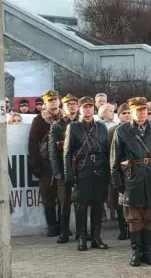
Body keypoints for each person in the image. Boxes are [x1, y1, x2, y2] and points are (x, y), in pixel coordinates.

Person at [110, 97, 151, 266]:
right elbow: (115, 159)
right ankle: (136, 252)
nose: (141, 113)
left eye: (144, 110)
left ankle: (148, 252)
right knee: (134, 218)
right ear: (132, 112)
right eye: (138, 110)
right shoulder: (121, 131)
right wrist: (118, 183)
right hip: (132, 179)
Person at [64, 96, 110, 251]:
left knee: (98, 205)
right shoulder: (73, 127)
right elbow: (67, 153)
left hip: (99, 169)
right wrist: (69, 174)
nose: (88, 109)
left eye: (90, 106)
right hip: (82, 169)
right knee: (80, 206)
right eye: (84, 107)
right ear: (80, 109)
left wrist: (108, 173)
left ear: (94, 108)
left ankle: (96, 238)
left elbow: (107, 151)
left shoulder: (102, 127)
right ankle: (82, 237)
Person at [28, 90, 63, 237]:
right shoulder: (39, 120)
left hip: (63, 162)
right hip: (45, 163)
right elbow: (32, 144)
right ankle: (52, 226)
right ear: (45, 103)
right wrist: (35, 165)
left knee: (63, 196)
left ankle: (63, 226)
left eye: (55, 99)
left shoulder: (65, 118)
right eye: (50, 100)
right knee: (48, 196)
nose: (53, 102)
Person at [48, 94, 79, 243]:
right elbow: (52, 152)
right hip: (63, 167)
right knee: (64, 202)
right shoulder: (57, 125)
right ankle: (64, 232)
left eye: (74, 104)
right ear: (63, 107)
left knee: (82, 202)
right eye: (68, 104)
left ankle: (81, 232)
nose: (71, 106)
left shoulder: (82, 123)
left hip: (81, 169)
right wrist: (57, 172)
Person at [108, 103, 132, 240]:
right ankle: (123, 229)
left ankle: (132, 227)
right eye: (124, 113)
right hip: (118, 170)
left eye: (129, 113)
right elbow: (109, 153)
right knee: (119, 201)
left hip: (133, 170)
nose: (127, 115)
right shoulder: (113, 131)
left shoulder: (136, 129)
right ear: (118, 116)